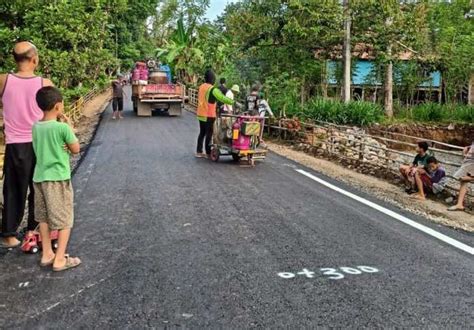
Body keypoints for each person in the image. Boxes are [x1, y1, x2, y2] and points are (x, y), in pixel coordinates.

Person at [0, 41, 54, 249]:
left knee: (13, 189)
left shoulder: (4, 80)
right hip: (41, 143)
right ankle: (34, 230)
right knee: (38, 188)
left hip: (16, 145)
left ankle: (9, 234)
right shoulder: (45, 82)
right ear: (35, 59)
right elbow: (54, 113)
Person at [33, 86, 81, 271]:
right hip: (58, 179)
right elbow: (75, 149)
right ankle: (60, 259)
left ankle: (47, 254)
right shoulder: (62, 128)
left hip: (39, 178)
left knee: (43, 217)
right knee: (65, 219)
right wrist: (69, 127)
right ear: (58, 106)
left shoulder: (36, 126)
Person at [196, 70, 236, 158]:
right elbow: (222, 98)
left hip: (200, 113)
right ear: (213, 79)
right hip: (208, 114)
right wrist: (233, 102)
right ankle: (208, 152)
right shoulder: (212, 89)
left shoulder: (201, 87)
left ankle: (199, 151)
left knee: (202, 132)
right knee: (209, 134)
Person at [448, 142, 474, 211]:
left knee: (462, 178)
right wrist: (468, 147)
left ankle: (460, 204)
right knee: (463, 180)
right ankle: (459, 204)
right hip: (469, 160)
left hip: (472, 161)